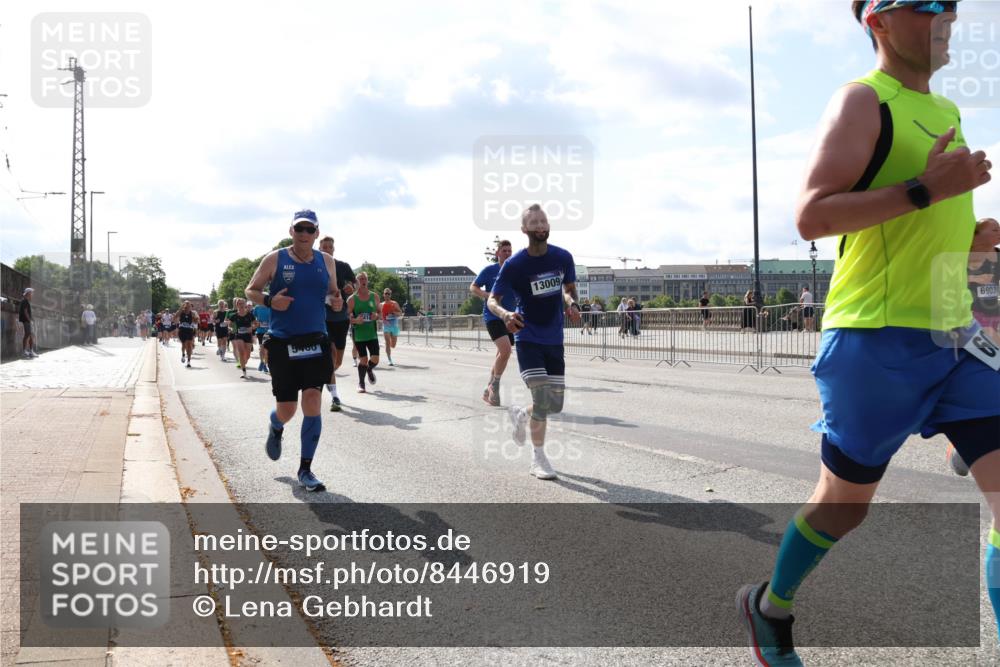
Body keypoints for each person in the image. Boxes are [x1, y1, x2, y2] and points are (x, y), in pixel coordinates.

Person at [738, 3, 997, 664]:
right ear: (878, 20)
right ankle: (770, 605)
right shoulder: (861, 101)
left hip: (955, 338)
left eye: (953, 5)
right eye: (927, 4)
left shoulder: (946, 114)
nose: (947, 15)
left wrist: (973, 243)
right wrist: (925, 188)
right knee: (844, 508)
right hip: (875, 342)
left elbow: (920, 229)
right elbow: (811, 215)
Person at [245, 209, 342, 492]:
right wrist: (268, 300)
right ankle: (276, 426)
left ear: (316, 233)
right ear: (291, 231)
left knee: (312, 400)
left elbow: (333, 293)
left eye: (309, 230)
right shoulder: (276, 258)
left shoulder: (327, 261)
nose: (304, 234)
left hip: (315, 339)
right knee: (286, 410)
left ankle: (305, 469)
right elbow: (251, 289)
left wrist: (336, 302)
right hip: (282, 342)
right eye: (299, 229)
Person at [488, 204, 582, 481]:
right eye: (535, 222)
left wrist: (572, 303)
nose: (541, 225)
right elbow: (493, 300)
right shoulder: (515, 265)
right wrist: (505, 314)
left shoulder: (562, 257)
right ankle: (538, 458)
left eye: (544, 221)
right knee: (542, 399)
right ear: (524, 229)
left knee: (554, 405)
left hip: (554, 338)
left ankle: (520, 413)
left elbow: (568, 289)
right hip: (528, 336)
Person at [948, 216, 1000, 477]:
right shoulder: (959, 261)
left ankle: (967, 448)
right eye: (994, 228)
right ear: (976, 235)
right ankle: (964, 448)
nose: (999, 231)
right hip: (970, 331)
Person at [471, 239, 516, 406]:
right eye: (504, 251)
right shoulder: (490, 270)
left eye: (510, 251)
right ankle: (495, 385)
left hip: (510, 317)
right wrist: (487, 295)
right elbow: (473, 287)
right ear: (497, 253)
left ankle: (487, 390)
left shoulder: (514, 271)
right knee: (505, 351)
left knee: (500, 355)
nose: (507, 254)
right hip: (492, 317)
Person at [318, 235, 356, 411]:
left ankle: (325, 375)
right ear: (319, 249)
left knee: (338, 361)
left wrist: (350, 288)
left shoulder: (342, 266)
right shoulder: (313, 266)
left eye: (329, 247)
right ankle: (335, 397)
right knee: (329, 355)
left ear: (333, 249)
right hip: (322, 317)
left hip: (341, 318)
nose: (326, 249)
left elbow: (354, 285)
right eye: (323, 247)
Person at [348, 271, 381, 393]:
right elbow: (347, 317)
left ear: (367, 281)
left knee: (376, 359)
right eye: (360, 279)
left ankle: (368, 369)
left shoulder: (375, 296)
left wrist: (376, 316)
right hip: (359, 334)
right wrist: (356, 320)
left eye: (365, 279)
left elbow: (380, 312)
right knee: (363, 359)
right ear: (356, 282)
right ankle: (361, 384)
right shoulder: (352, 299)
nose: (363, 281)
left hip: (372, 333)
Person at [229, 298, 255, 379]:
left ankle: (243, 362)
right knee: (241, 351)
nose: (241, 305)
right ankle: (244, 372)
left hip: (248, 336)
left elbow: (257, 324)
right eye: (239, 303)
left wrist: (252, 328)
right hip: (239, 335)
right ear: (237, 305)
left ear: (245, 304)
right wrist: (231, 329)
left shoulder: (250, 314)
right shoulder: (234, 316)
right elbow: (229, 325)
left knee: (247, 355)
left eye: (242, 303)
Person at [381, 288, 403, 366]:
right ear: (383, 295)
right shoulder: (381, 304)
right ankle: (389, 360)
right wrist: (383, 319)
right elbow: (379, 315)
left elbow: (400, 313)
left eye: (388, 294)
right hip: (386, 325)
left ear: (390, 295)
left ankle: (390, 344)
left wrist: (393, 312)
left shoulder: (394, 303)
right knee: (387, 342)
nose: (387, 295)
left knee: (393, 345)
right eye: (385, 293)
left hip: (394, 325)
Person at [175, 301, 198, 367]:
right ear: (184, 306)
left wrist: (196, 319)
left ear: (190, 307)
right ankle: (183, 354)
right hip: (182, 330)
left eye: (189, 306)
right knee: (184, 344)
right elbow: (176, 316)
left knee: (190, 345)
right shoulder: (181, 312)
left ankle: (188, 361)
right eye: (186, 305)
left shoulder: (193, 313)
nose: (188, 307)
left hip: (190, 330)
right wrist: (181, 307)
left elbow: (196, 322)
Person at [253, 298, 271, 373]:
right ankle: (261, 362)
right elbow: (253, 318)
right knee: (261, 348)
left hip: (269, 331)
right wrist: (256, 323)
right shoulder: (257, 308)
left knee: (266, 350)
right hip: (260, 331)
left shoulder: (270, 307)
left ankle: (265, 364)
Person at [19, 288, 36, 358]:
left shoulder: (27, 301)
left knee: (31, 335)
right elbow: (25, 312)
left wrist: (31, 319)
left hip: (27, 320)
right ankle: (24, 352)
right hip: (26, 321)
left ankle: (31, 351)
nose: (32, 294)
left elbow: (27, 312)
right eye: (31, 293)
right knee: (28, 334)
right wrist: (29, 320)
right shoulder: (25, 301)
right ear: (28, 293)